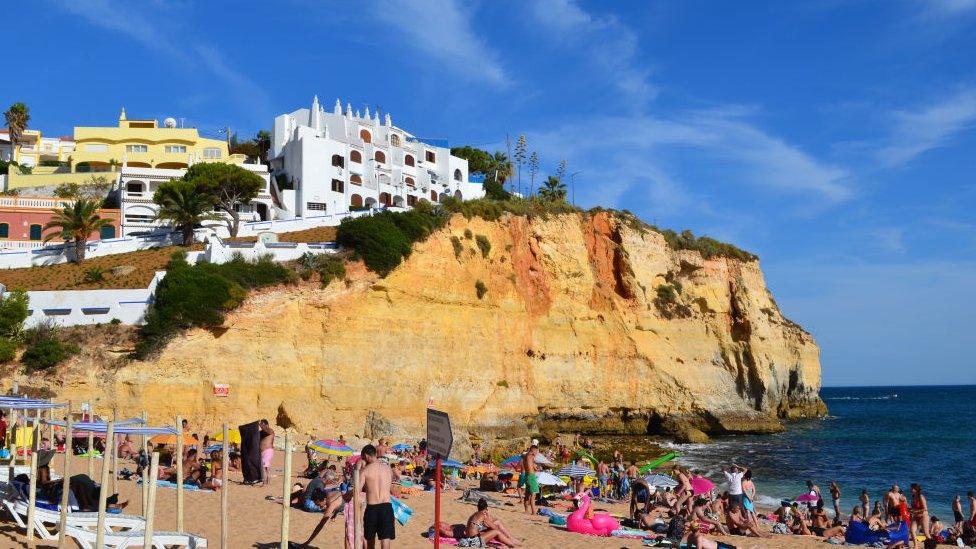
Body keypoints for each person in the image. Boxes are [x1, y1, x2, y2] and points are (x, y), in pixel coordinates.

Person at [359, 444, 395, 548]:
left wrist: (359, 468)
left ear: (366, 456)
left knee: (370, 541)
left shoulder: (365, 470)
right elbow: (390, 487)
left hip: (372, 508)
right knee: (385, 539)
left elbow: (357, 490)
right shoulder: (388, 469)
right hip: (386, 506)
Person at [909, 483, 929, 548]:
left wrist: (915, 511)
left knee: (926, 533)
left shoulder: (921, 496)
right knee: (912, 530)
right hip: (915, 516)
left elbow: (925, 508)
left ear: (916, 489)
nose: (911, 489)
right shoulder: (913, 496)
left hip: (923, 516)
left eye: (912, 488)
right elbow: (913, 508)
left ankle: (931, 546)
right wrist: (910, 509)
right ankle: (916, 546)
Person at [520, 446, 538, 516]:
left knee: (527, 495)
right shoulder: (531, 456)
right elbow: (535, 467)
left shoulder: (525, 456)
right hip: (531, 476)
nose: (536, 453)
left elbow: (531, 466)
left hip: (527, 475)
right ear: (533, 450)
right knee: (533, 494)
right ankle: (534, 512)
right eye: (536, 451)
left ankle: (526, 511)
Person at [259, 419, 274, 486]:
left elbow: (267, 430)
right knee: (266, 468)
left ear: (266, 425)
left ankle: (264, 483)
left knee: (263, 467)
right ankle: (267, 482)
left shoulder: (270, 430)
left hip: (267, 451)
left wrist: (261, 425)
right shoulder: (261, 432)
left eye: (262, 424)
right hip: (263, 452)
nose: (261, 426)